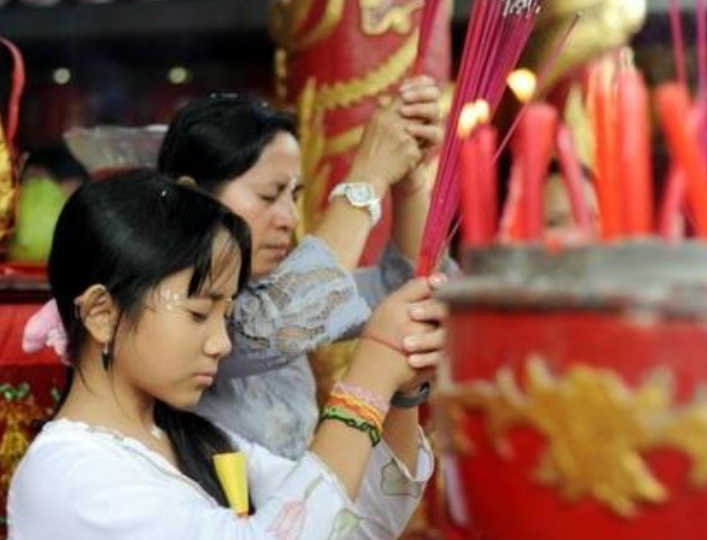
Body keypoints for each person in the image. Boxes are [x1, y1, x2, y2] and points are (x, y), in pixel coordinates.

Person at [8, 170, 445, 539]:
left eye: (226, 315)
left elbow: (358, 522)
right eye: (199, 313)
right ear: (102, 314)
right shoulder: (68, 474)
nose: (222, 342)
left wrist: (400, 390)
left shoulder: (197, 439)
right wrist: (368, 374)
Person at [156, 76, 448, 458]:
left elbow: (407, 289)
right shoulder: (170, 301)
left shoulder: (268, 289)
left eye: (293, 196)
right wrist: (367, 179)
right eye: (268, 195)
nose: (290, 219)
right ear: (192, 196)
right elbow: (279, 320)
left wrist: (409, 180)